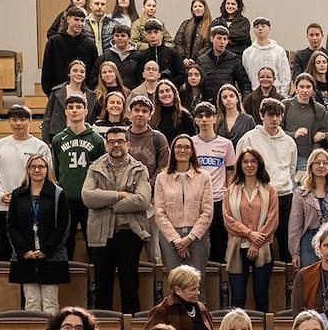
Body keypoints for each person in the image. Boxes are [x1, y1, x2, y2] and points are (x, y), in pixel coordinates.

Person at [81, 125, 151, 313]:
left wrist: (107, 203)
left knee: (130, 288)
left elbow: (143, 201)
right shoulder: (95, 167)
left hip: (129, 234)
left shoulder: (139, 169)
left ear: (128, 144)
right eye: (111, 142)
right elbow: (87, 197)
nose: (116, 145)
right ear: (106, 145)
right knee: (103, 290)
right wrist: (120, 195)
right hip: (100, 236)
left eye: (120, 141)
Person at [236, 98, 297, 262]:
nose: (275, 119)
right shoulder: (248, 139)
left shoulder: (289, 142)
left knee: (285, 238)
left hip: (284, 194)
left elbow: (291, 168)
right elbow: (240, 168)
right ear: (262, 115)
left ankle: (287, 282)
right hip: (259, 194)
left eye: (278, 115)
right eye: (271, 115)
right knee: (261, 239)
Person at [7, 152, 68, 312]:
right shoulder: (18, 194)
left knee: (50, 303)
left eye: (41, 166)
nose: (37, 170)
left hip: (50, 256)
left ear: (47, 169)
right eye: (33, 167)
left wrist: (46, 250)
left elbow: (63, 226)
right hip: (26, 256)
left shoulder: (57, 193)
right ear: (27, 170)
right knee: (31, 303)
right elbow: (11, 225)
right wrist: (24, 250)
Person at [222, 147, 278, 311]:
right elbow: (228, 219)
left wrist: (256, 243)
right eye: (245, 161)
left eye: (253, 161)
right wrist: (249, 234)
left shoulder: (270, 190)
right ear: (240, 165)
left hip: (263, 248)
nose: (249, 165)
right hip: (237, 248)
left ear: (259, 164)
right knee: (238, 298)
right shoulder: (231, 190)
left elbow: (272, 219)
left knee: (261, 297)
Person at [45, 96, 97, 262]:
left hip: (90, 199)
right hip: (67, 198)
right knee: (67, 240)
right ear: (66, 111)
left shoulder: (97, 139)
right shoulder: (58, 139)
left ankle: (93, 278)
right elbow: (57, 169)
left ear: (86, 111)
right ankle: (68, 280)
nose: (75, 110)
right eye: (71, 107)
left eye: (78, 107)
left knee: (92, 241)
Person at [154, 134, 214, 274]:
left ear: (192, 151)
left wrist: (190, 238)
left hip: (197, 237)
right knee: (176, 282)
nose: (182, 150)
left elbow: (207, 212)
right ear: (172, 150)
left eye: (187, 147)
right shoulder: (162, 178)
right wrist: (177, 240)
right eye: (179, 147)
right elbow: (160, 213)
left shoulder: (204, 176)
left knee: (196, 283)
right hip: (170, 238)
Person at [142, 265, 216, 330]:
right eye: (192, 289)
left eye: (197, 288)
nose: (198, 293)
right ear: (177, 290)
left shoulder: (202, 308)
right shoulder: (163, 310)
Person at [192, 103, 235, 263]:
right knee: (199, 241)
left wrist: (228, 194)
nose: (204, 120)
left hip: (219, 199)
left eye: (208, 116)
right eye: (200, 116)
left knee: (219, 243)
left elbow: (230, 171)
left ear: (215, 118)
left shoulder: (226, 144)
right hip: (197, 199)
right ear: (196, 120)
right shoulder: (190, 143)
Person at [41, 8, 98, 95]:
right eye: (76, 20)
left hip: (83, 92)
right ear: (68, 19)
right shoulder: (54, 42)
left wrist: (88, 91)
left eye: (82, 21)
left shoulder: (89, 44)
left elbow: (94, 71)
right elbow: (47, 70)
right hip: (58, 93)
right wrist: (51, 93)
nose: (79, 24)